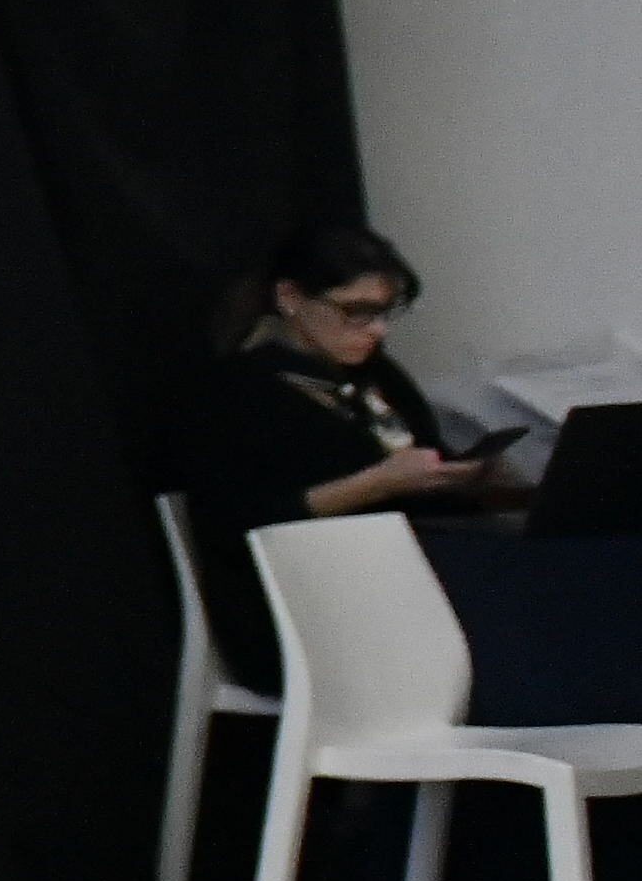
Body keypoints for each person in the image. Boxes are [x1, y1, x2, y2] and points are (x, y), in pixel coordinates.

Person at [177, 221, 483, 687]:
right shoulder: (234, 393)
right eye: (356, 311)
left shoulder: (378, 375)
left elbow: (426, 455)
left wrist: (470, 475)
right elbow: (233, 525)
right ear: (290, 297)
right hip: (301, 608)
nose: (377, 329)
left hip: (400, 582)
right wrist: (377, 483)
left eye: (386, 312)